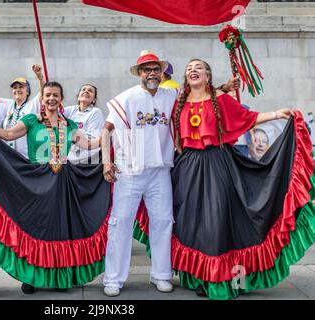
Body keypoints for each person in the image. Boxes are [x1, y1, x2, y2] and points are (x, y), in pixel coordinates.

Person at [171, 59, 314, 300]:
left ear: (208, 75)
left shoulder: (220, 99)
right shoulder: (178, 102)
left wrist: (278, 114)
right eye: (189, 68)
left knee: (215, 220)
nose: (193, 70)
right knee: (190, 222)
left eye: (199, 67)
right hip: (187, 167)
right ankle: (199, 276)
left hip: (216, 163)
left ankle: (219, 278)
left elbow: (247, 117)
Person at [0, 81, 108, 295]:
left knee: (60, 229)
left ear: (61, 99)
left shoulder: (70, 125)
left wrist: (110, 134)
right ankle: (30, 277)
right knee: (36, 227)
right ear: (42, 99)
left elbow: (89, 144)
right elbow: (8, 135)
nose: (52, 98)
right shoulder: (31, 120)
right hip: (37, 180)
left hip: (62, 182)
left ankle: (59, 277)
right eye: (48, 95)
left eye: (55, 95)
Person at [101, 50, 177, 297]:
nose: (152, 73)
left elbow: (201, 95)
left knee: (163, 222)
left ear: (162, 72)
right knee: (120, 222)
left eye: (155, 69)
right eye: (147, 70)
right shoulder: (126, 98)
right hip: (130, 169)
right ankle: (113, 279)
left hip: (160, 168)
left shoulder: (172, 95)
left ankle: (161, 275)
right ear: (140, 74)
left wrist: (225, 87)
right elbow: (106, 130)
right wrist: (106, 162)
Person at [2, 64, 46, 158]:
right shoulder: (9, 105)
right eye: (15, 87)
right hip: (9, 157)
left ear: (28, 91)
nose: (17, 89)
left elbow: (44, 92)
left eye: (21, 87)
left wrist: (40, 77)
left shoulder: (32, 105)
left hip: (26, 157)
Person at [63, 84, 104, 164]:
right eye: (84, 89)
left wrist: (74, 136)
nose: (86, 91)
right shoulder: (70, 110)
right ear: (78, 96)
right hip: (69, 160)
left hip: (86, 162)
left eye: (90, 91)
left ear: (94, 100)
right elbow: (53, 112)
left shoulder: (95, 112)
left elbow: (93, 141)